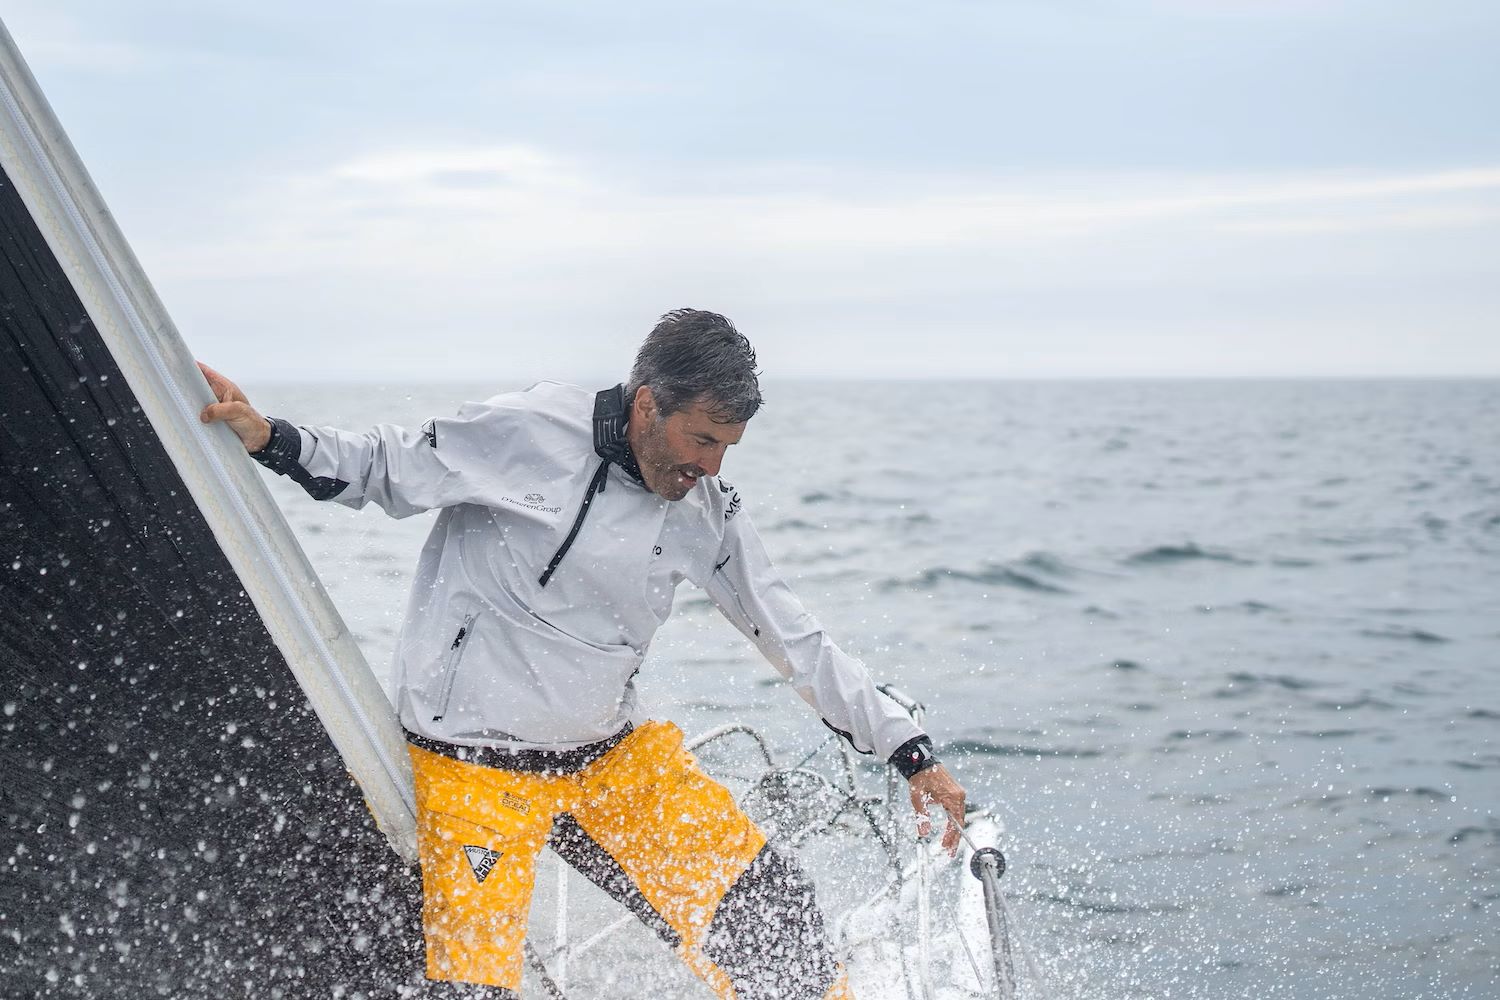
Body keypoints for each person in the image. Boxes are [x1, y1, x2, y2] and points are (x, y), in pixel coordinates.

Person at [198, 308, 967, 1000]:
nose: (713, 467)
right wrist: (270, 438)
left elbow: (795, 638)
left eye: (728, 447)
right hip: (471, 770)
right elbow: (381, 466)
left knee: (781, 932)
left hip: (607, 761)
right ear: (645, 405)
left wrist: (908, 749)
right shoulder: (526, 432)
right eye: (702, 439)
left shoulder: (705, 511)